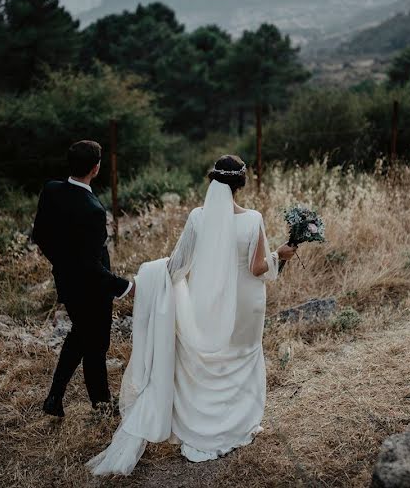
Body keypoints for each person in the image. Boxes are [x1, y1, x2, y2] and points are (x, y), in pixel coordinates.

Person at [87, 155, 297, 475]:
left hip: (206, 303)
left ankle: (204, 429)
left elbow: (178, 264)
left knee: (207, 362)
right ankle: (238, 426)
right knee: (241, 359)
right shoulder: (253, 218)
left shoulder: (198, 218)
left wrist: (149, 282)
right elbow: (258, 269)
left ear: (213, 182)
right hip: (246, 305)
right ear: (240, 185)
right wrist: (281, 255)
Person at [31, 140, 135, 418]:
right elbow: (90, 263)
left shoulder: (51, 189)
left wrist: (61, 263)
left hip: (66, 281)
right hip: (93, 287)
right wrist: (122, 286)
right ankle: (101, 405)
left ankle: (54, 398)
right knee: (96, 345)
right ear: (96, 168)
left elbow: (39, 235)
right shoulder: (93, 209)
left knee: (80, 336)